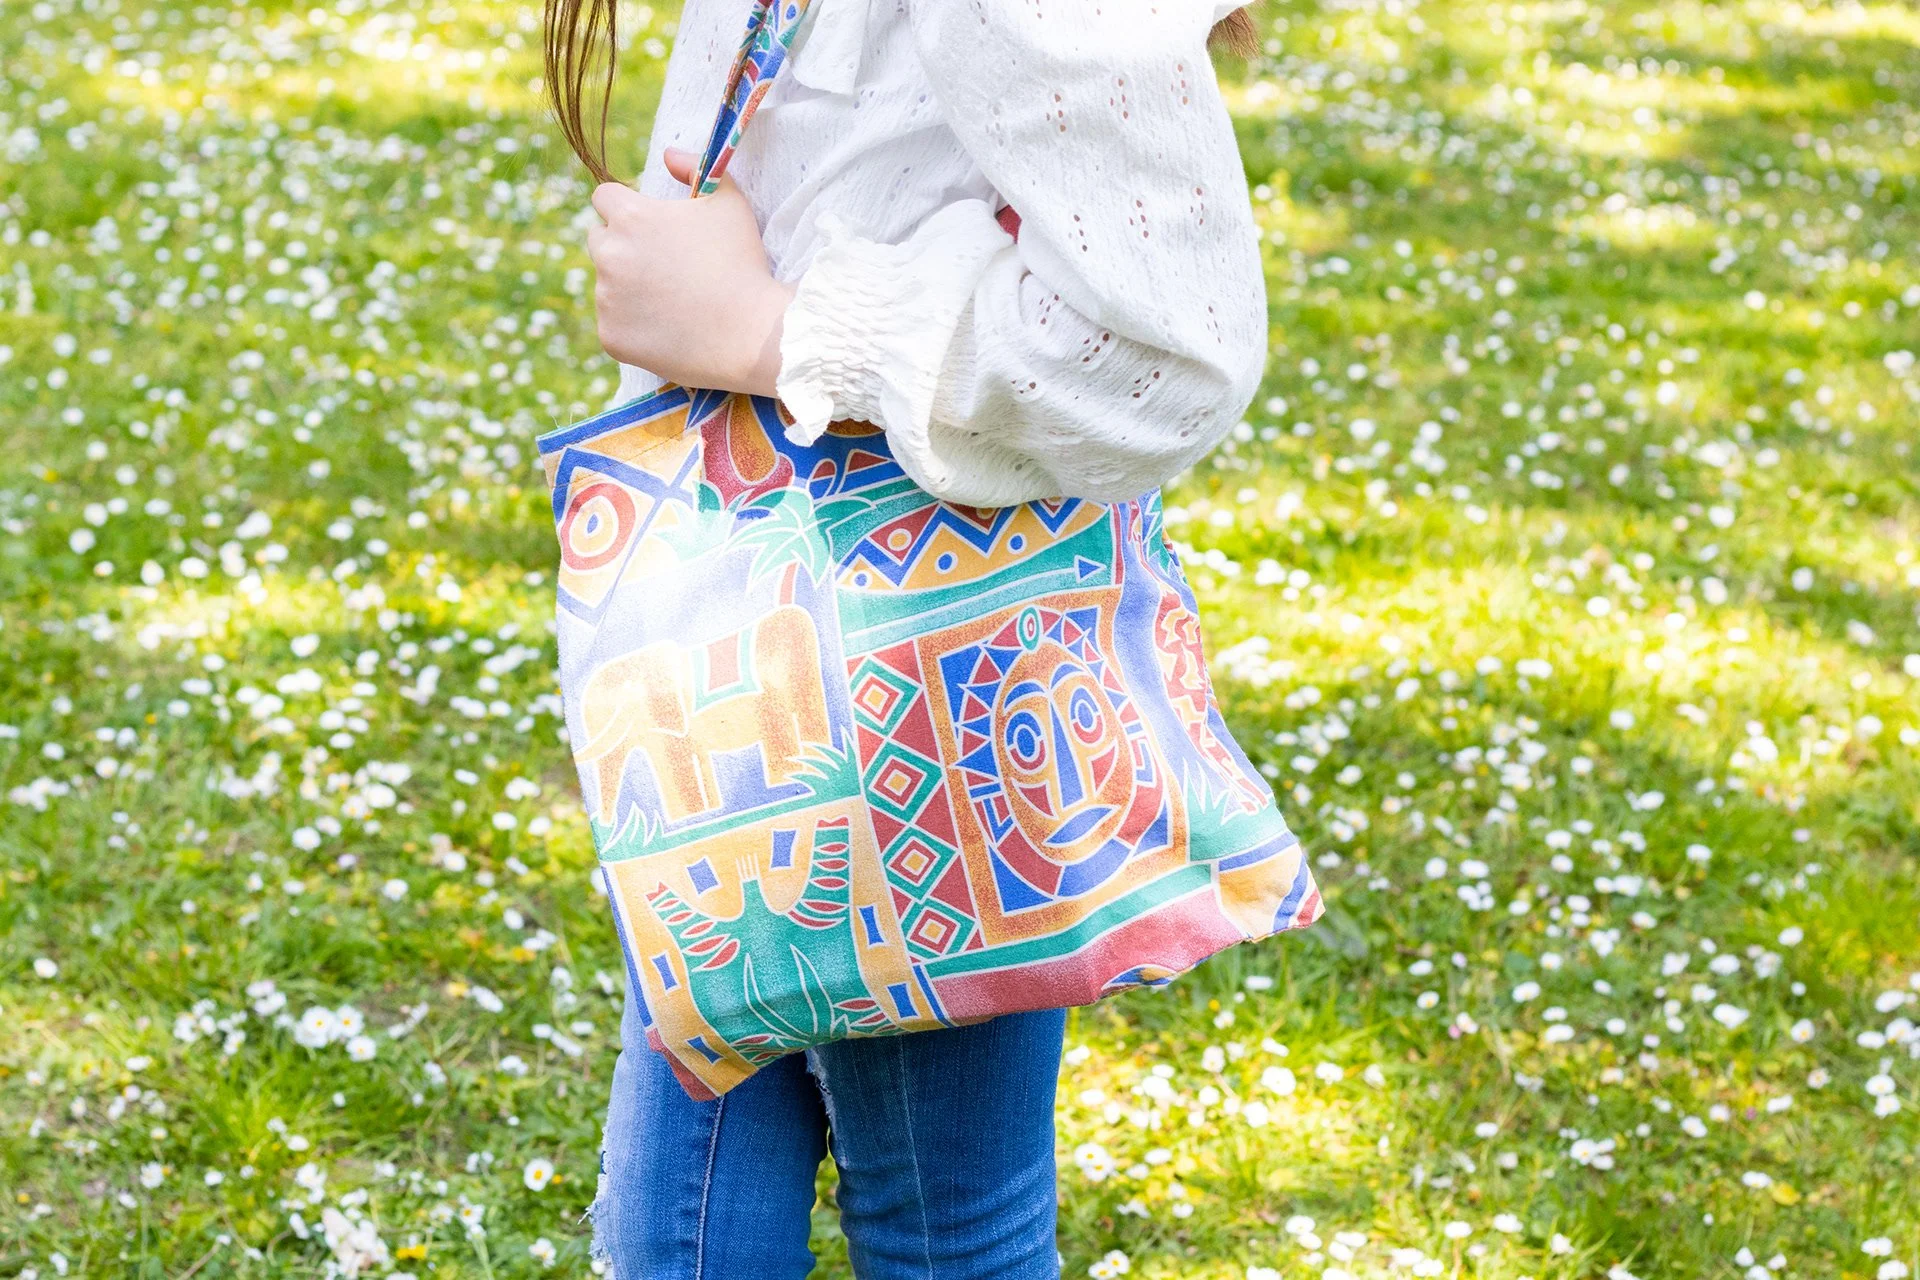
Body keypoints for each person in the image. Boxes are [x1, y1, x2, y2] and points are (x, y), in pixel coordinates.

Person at [547, 1, 1271, 1274]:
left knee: (941, 1222)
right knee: (699, 1187)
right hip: (740, 662)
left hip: (915, 680)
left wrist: (769, 330)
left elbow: (1170, 358)